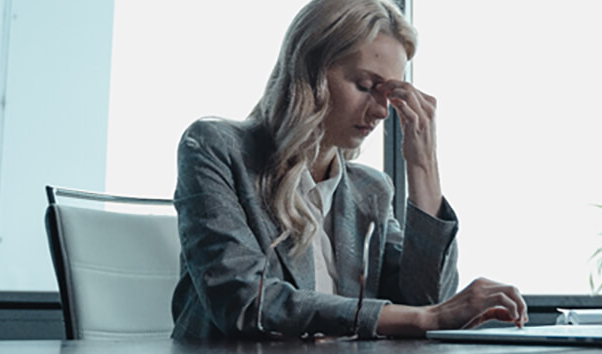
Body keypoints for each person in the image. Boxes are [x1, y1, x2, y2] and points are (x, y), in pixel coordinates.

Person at [171, 0, 527, 340]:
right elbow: (244, 303)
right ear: (309, 70)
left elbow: (425, 305)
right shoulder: (216, 148)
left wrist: (423, 167)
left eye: (390, 94)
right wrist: (427, 316)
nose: (382, 111)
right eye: (366, 87)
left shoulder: (368, 190)